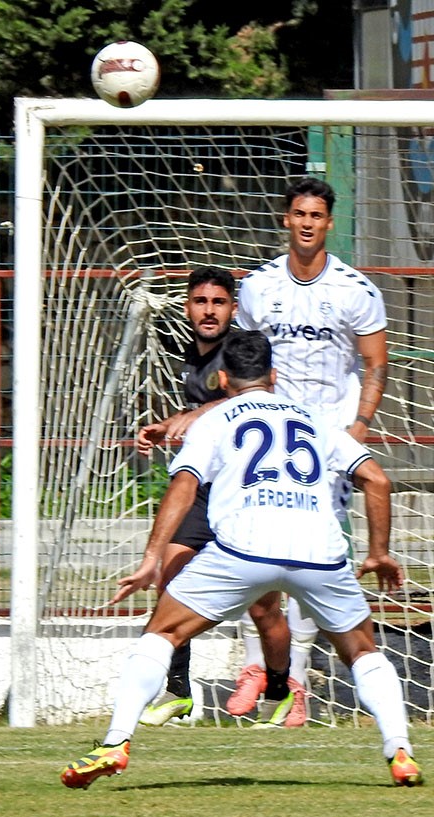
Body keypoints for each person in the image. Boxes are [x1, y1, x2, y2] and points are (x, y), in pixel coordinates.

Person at [60, 330, 423, 789]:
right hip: (318, 551)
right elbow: (377, 480)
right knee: (362, 653)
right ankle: (400, 751)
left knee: (162, 634)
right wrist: (378, 553)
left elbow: (185, 485)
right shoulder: (314, 417)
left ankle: (115, 742)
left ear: (223, 378)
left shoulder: (213, 420)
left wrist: (153, 556)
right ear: (274, 376)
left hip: (243, 548)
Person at [228, 176, 390, 725]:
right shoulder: (258, 286)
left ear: (328, 223)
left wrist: (360, 427)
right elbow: (246, 354)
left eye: (316, 215)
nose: (306, 223)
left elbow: (374, 364)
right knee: (255, 550)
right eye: (298, 213)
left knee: (308, 556)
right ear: (285, 219)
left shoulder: (355, 290)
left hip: (327, 439)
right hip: (270, 435)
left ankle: (294, 679)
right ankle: (259, 666)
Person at [133, 267, 292, 727]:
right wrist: (165, 428)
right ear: (187, 308)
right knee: (171, 579)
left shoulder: (241, 351)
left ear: (232, 309)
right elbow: (204, 420)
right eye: (200, 302)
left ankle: (281, 685)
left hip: (245, 494)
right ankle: (178, 691)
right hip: (204, 493)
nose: (208, 310)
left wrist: (198, 412)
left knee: (264, 607)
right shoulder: (188, 354)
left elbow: (258, 399)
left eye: (218, 302)